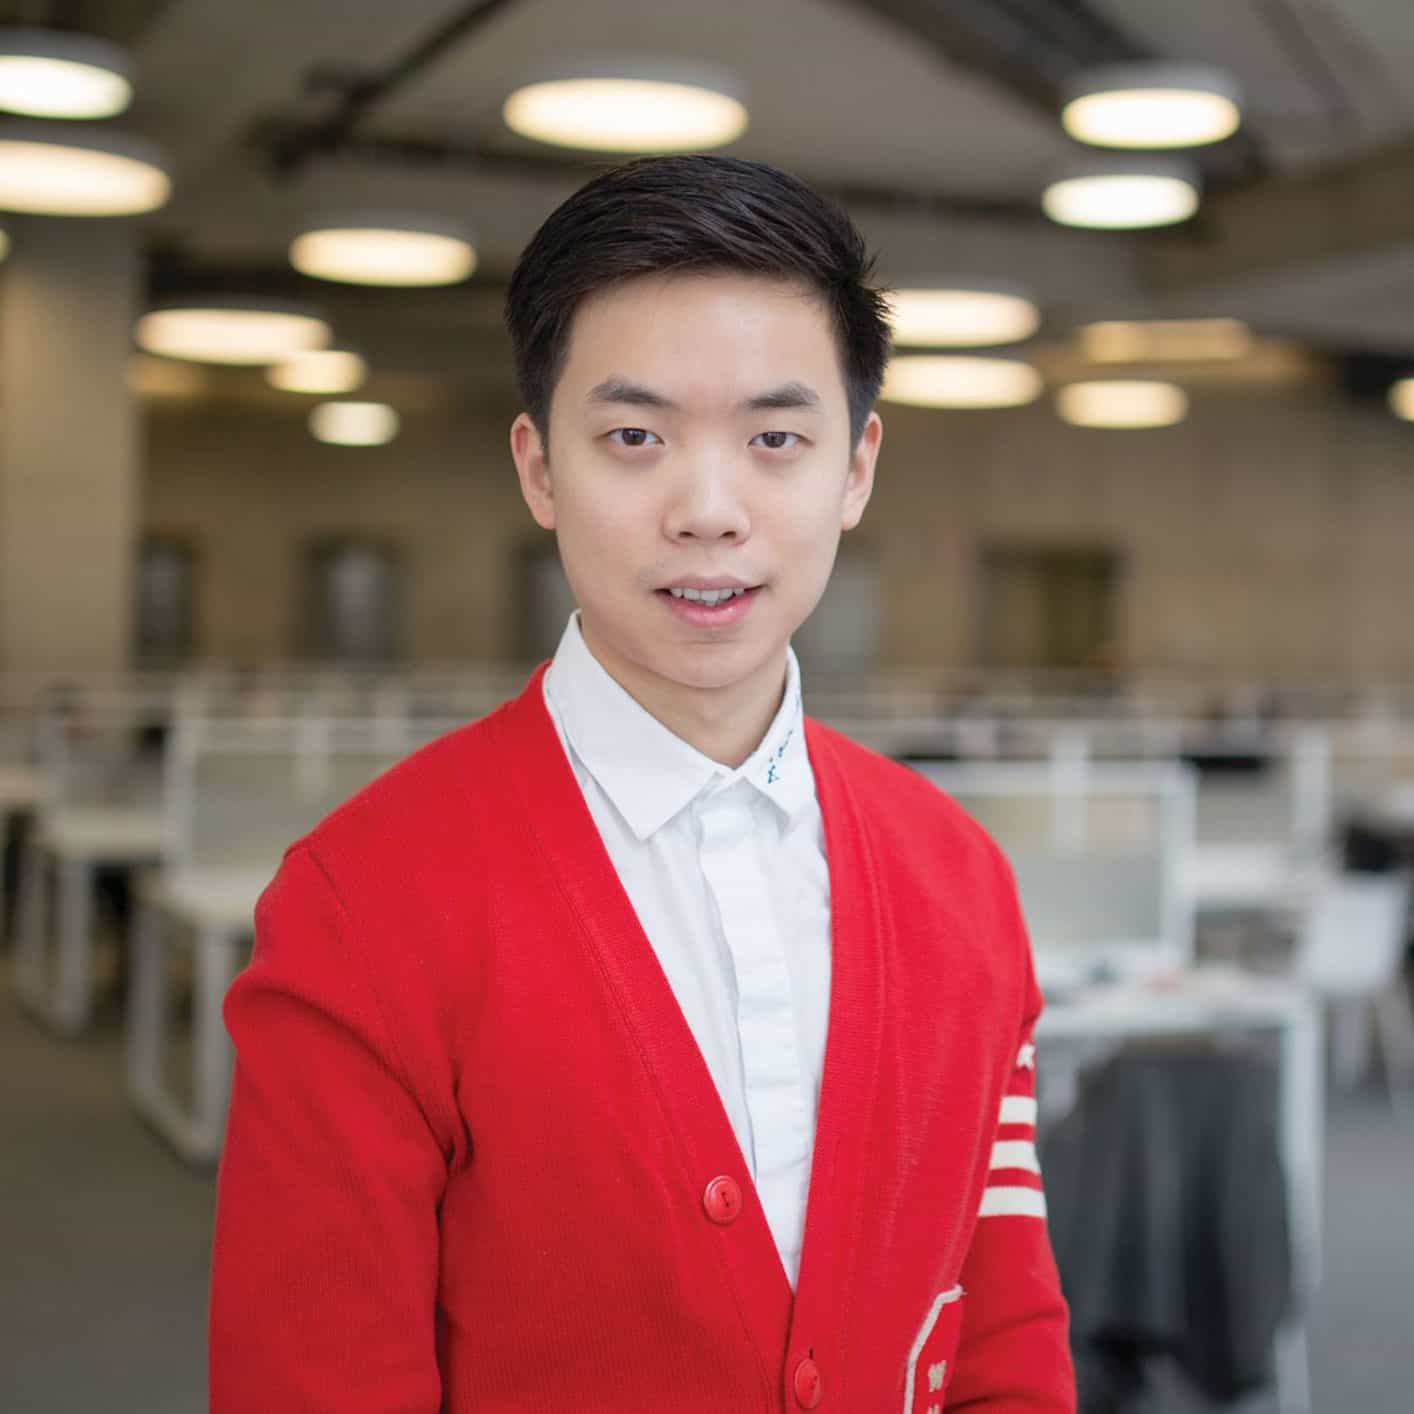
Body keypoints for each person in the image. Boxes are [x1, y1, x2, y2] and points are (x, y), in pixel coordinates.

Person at [208, 154, 1074, 1413]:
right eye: (634, 438)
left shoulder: (960, 881)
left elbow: (1005, 1344)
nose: (708, 510)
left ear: (855, 468)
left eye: (775, 439)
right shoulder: (363, 907)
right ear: (539, 469)